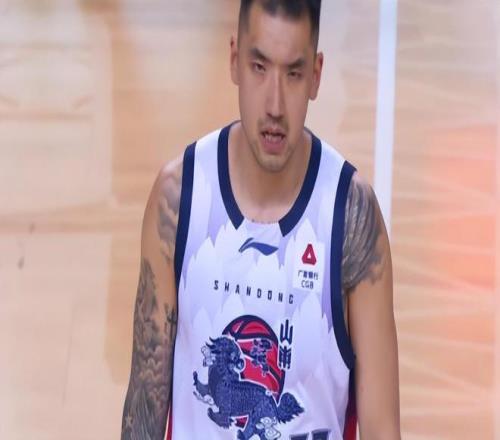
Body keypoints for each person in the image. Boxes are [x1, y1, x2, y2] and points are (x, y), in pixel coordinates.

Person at [121, 0, 400, 439]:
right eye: (259, 67)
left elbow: (383, 429)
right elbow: (143, 414)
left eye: (293, 73)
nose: (274, 104)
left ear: (316, 75)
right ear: (234, 60)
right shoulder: (178, 199)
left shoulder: (352, 218)